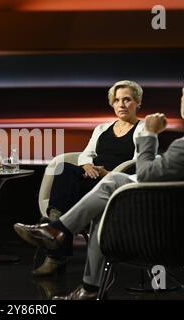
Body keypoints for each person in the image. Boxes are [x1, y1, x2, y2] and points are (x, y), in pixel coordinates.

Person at [14, 69, 184, 299]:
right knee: (111, 186)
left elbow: (146, 173)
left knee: (110, 194)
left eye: (182, 93)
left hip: (173, 232)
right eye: (117, 100)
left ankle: (59, 235)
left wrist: (149, 134)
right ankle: (79, 271)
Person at [34, 80, 144, 277]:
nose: (121, 104)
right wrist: (86, 166)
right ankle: (55, 229)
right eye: (117, 100)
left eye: (127, 100)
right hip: (91, 175)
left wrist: (106, 174)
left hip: (114, 183)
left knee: (67, 186)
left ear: (137, 102)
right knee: (63, 168)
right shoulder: (102, 128)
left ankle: (55, 248)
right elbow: (86, 154)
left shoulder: (143, 130)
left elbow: (139, 165)